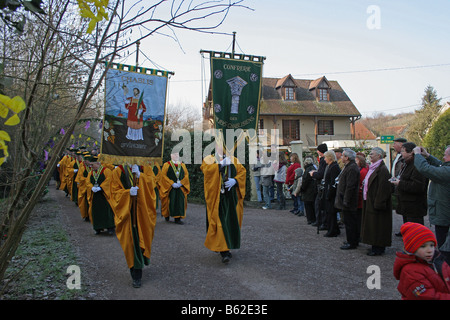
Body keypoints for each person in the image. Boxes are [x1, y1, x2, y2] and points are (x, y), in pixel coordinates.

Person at [109, 163, 157, 288]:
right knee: (131, 244)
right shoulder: (118, 171)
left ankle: (140, 264)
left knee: (143, 239)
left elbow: (153, 183)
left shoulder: (145, 167)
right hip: (127, 215)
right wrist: (127, 193)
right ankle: (136, 274)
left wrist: (141, 176)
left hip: (142, 213)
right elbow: (114, 193)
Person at [200, 143, 246, 263]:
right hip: (217, 198)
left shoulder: (234, 160)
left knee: (230, 221)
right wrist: (219, 166)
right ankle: (224, 251)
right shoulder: (209, 159)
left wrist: (235, 181)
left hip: (231, 198)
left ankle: (227, 245)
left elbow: (242, 173)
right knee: (220, 223)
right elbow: (207, 172)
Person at [393, 222, 450, 300]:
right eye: (423, 246)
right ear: (412, 248)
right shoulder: (410, 271)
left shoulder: (437, 261)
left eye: (431, 245)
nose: (429, 250)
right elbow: (425, 296)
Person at [413, 145, 450, 248]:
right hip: (444, 213)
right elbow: (440, 166)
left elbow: (425, 169)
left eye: (445, 155)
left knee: (444, 245)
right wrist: (428, 156)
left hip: (444, 214)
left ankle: (444, 262)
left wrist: (417, 155)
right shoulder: (446, 169)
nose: (443, 158)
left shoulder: (447, 172)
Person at [361, 147, 392, 256]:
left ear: (379, 156)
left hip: (377, 202)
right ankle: (374, 245)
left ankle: (378, 247)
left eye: (372, 154)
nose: (370, 155)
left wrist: (379, 203)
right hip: (370, 199)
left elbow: (383, 188)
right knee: (373, 224)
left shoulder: (382, 170)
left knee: (378, 225)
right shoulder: (373, 168)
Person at [390, 142, 428, 226]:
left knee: (415, 231)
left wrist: (399, 183)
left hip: (414, 207)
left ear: (411, 153)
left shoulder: (417, 165)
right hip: (406, 205)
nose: (401, 153)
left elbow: (417, 186)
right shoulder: (407, 163)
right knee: (408, 230)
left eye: (403, 151)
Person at [335, 149, 360, 248]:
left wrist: (346, 200)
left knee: (350, 222)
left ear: (347, 157)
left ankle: (352, 242)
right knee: (348, 221)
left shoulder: (352, 168)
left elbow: (350, 186)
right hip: (346, 198)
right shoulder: (349, 167)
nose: (341, 157)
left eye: (343, 156)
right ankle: (351, 240)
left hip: (349, 200)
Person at [86, 156, 115, 235]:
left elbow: (109, 180)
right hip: (95, 196)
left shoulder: (106, 171)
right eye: (90, 165)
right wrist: (91, 187)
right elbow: (87, 182)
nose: (91, 167)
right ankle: (98, 227)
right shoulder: (90, 173)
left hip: (104, 195)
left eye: (92, 165)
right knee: (95, 211)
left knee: (107, 210)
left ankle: (110, 227)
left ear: (98, 163)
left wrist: (101, 187)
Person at [159, 152, 190, 224]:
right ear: (171, 155)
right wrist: (171, 183)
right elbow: (163, 176)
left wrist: (181, 183)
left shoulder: (182, 165)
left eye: (177, 155)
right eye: (174, 154)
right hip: (170, 188)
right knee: (169, 201)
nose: (176, 156)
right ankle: (167, 215)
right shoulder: (166, 165)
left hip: (180, 188)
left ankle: (178, 218)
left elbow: (186, 175)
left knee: (180, 202)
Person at [322, 150, 341, 237]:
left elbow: (333, 182)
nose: (325, 159)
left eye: (326, 157)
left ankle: (332, 230)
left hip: (331, 194)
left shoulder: (334, 167)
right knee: (329, 212)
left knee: (331, 213)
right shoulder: (331, 166)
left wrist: (329, 193)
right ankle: (334, 229)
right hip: (328, 191)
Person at [310, 143, 328, 228]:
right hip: (321, 185)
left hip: (322, 185)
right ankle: (320, 221)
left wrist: (313, 174)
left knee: (319, 205)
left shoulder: (323, 161)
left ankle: (321, 222)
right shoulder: (323, 160)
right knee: (318, 204)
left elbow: (321, 173)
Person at [300, 157, 317, 224]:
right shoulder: (313, 168)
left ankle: (310, 219)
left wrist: (302, 188)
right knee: (312, 205)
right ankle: (313, 218)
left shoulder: (307, 170)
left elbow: (305, 180)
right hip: (312, 189)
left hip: (308, 190)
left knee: (308, 205)